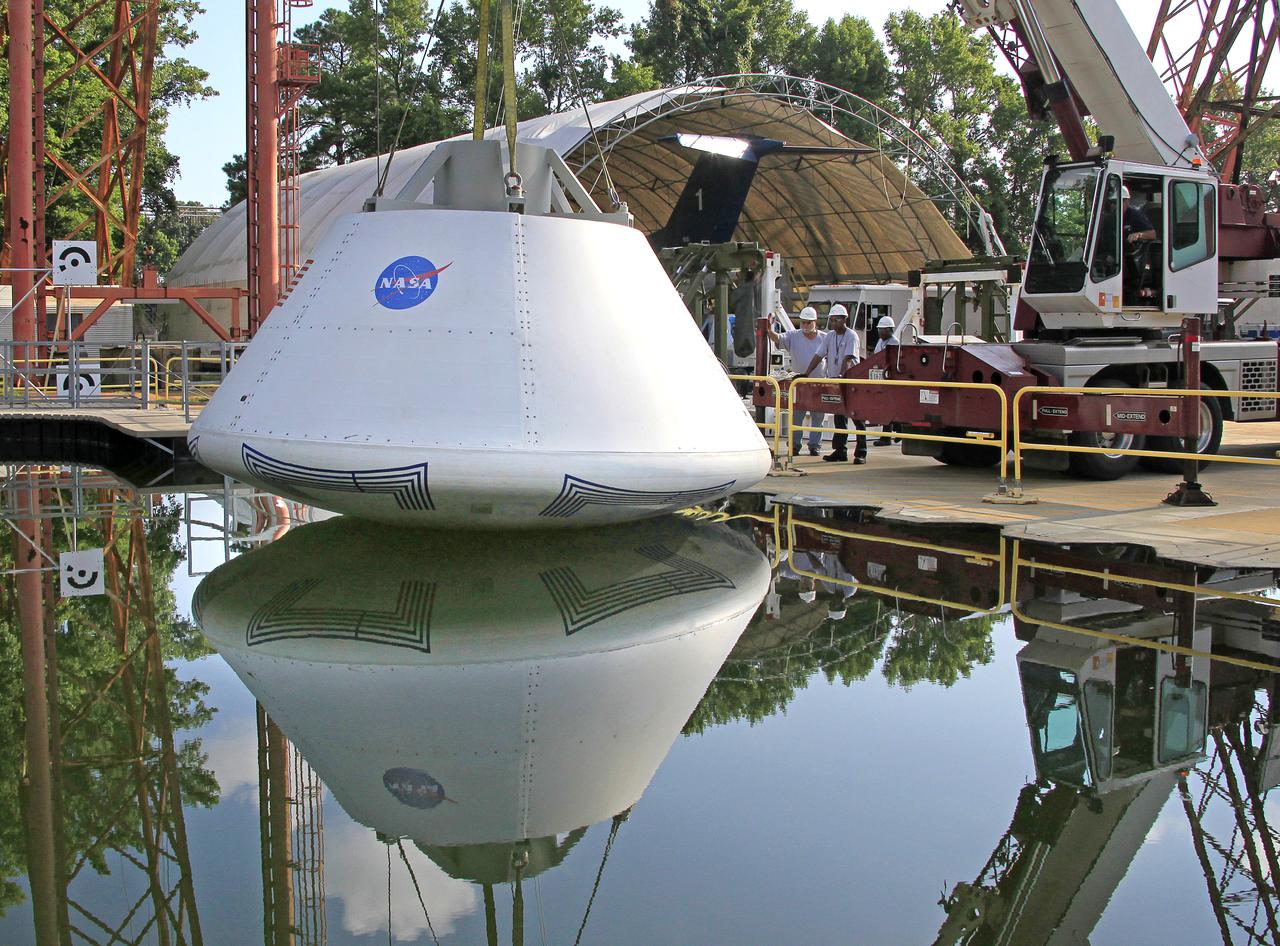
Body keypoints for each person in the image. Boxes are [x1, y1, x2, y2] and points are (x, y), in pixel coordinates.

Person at [797, 303, 866, 464]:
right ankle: (840, 450)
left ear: (844, 320)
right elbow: (819, 355)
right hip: (836, 382)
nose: (832, 323)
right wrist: (807, 373)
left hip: (850, 383)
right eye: (831, 320)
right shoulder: (830, 336)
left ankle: (861, 452)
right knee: (839, 418)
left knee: (857, 418)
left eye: (835, 320)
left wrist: (842, 375)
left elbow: (849, 359)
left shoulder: (852, 336)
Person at [767, 306, 827, 456]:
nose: (805, 325)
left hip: (818, 383)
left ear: (815, 322)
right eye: (803, 322)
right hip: (798, 383)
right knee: (796, 417)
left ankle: (814, 446)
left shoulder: (824, 338)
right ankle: (794, 446)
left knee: (817, 417)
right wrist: (769, 329)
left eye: (808, 322)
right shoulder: (794, 336)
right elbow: (779, 338)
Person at [1122, 185, 1157, 304]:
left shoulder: (1135, 215)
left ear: (1126, 201)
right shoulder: (1111, 217)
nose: (1113, 206)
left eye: (1116, 202)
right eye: (1111, 203)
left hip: (1132, 257)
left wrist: (1139, 235)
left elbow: (1152, 234)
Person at [871, 314, 900, 445]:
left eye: (883, 329)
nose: (880, 332)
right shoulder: (881, 342)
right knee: (886, 407)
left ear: (889, 330)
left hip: (890, 379)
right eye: (879, 329)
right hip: (882, 378)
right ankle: (897, 431)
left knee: (889, 407)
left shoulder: (894, 343)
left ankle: (887, 436)